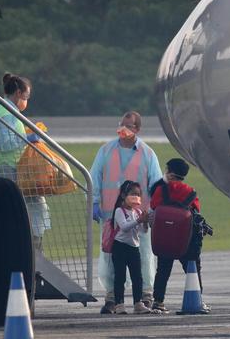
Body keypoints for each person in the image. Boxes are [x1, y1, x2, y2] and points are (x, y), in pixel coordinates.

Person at [90, 111, 163, 314]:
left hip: (140, 218)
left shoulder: (148, 154)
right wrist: (94, 202)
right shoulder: (105, 151)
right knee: (111, 257)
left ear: (137, 129)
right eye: (122, 124)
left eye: (129, 125)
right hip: (112, 216)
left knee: (144, 256)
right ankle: (112, 297)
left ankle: (145, 295)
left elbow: (156, 184)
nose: (123, 128)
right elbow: (94, 177)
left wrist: (154, 212)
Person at [0, 73, 50, 250]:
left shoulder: (0, 108)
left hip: (4, 168)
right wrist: (28, 138)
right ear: (19, 93)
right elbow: (5, 143)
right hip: (8, 170)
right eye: (26, 97)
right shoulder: (7, 113)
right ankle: (33, 250)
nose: (26, 102)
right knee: (31, 210)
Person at [149, 158, 210, 313]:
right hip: (186, 238)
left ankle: (158, 301)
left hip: (165, 236)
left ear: (170, 172)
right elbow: (196, 209)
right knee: (193, 269)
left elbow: (154, 206)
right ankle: (198, 299)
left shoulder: (160, 190)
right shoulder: (191, 192)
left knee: (162, 270)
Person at [111, 180, 152, 314]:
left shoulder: (137, 211)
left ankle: (138, 303)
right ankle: (119, 304)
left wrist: (145, 222)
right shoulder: (119, 211)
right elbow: (124, 227)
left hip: (134, 247)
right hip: (120, 247)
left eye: (138, 194)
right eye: (132, 194)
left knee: (137, 277)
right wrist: (139, 220)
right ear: (123, 195)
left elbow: (143, 231)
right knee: (120, 276)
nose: (136, 197)